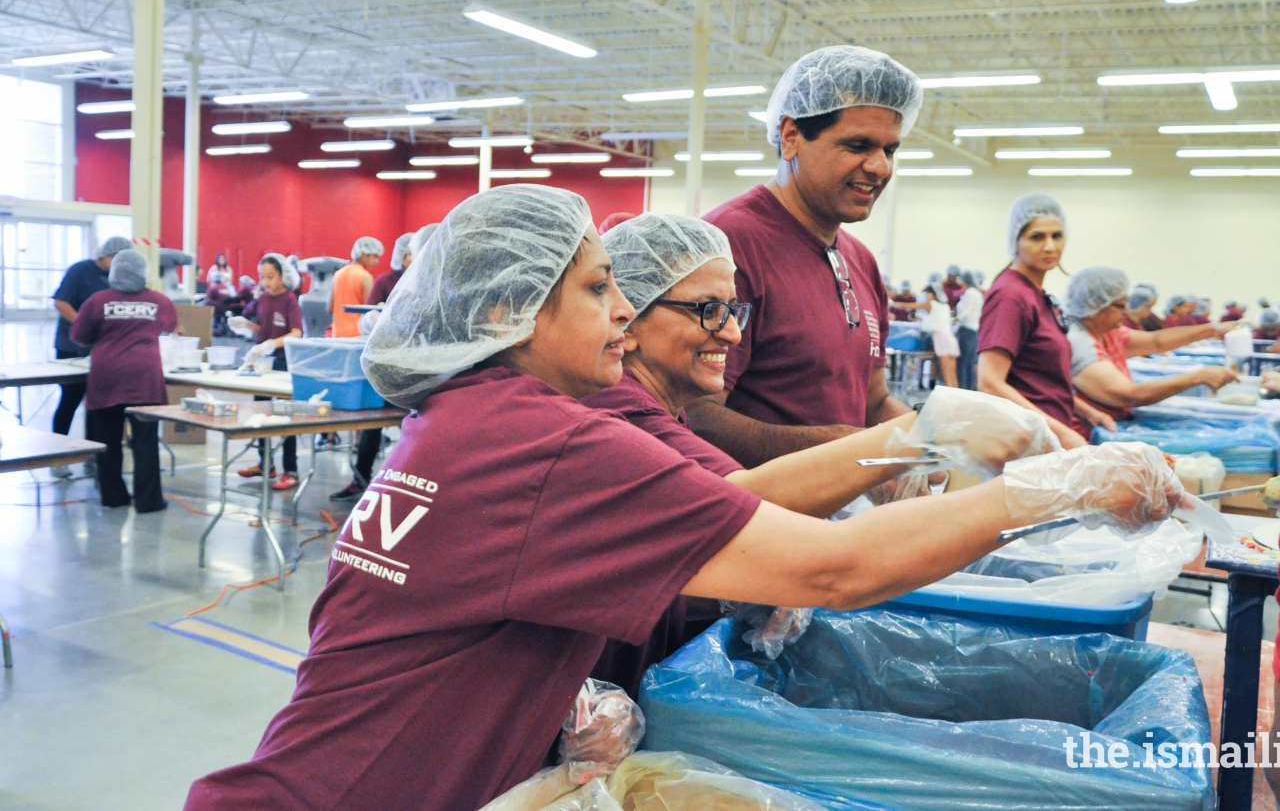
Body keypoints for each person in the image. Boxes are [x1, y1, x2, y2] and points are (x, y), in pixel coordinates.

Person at [184, 184, 1184, 811]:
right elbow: (835, 565)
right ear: (503, 312)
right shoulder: (543, 436)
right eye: (591, 290)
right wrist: (1052, 486)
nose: (618, 309)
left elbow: (410, 621)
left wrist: (544, 683)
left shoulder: (463, 420)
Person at [587, 214, 1057, 694]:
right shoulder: (617, 412)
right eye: (708, 310)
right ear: (629, 318)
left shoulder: (661, 411)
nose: (731, 334)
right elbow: (746, 509)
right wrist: (923, 435)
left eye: (734, 311)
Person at [689, 45, 922, 467]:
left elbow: (875, 402)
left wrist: (945, 443)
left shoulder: (861, 261)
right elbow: (694, 417)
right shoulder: (728, 246)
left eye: (890, 150)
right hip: (763, 518)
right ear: (791, 136)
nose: (881, 167)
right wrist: (845, 452)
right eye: (858, 145)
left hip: (841, 519)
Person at [977, 194, 1109, 450]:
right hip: (1025, 440)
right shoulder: (1010, 296)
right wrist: (1061, 432)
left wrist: (1083, 410)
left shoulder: (1036, 295)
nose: (1050, 246)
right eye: (1037, 237)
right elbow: (990, 383)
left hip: (1044, 433)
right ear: (1014, 242)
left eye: (1057, 236)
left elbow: (1038, 382)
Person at [330, 224, 439, 502]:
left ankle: (407, 487)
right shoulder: (385, 281)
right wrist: (376, 321)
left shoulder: (433, 282)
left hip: (424, 369)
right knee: (374, 422)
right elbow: (368, 314)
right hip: (391, 360)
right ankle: (362, 478)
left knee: (417, 429)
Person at [1063, 266, 1240, 438]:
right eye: (1121, 305)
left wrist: (1212, 330)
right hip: (1088, 436)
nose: (1127, 311)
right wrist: (1198, 377)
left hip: (1113, 425)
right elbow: (1128, 395)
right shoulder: (1080, 342)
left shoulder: (1108, 331)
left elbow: (1155, 342)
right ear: (1095, 307)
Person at [68, 250, 177, 513]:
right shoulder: (159, 301)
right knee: (145, 442)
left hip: (107, 378)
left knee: (107, 441)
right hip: (145, 379)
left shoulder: (98, 301)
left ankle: (113, 496)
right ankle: (149, 500)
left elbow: (79, 336)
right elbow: (170, 327)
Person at [49, 235, 133, 476]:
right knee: (70, 400)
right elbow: (61, 302)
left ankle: (91, 455)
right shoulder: (80, 271)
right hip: (71, 346)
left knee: (97, 404)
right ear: (105, 256)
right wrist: (82, 324)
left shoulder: (119, 278)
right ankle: (58, 458)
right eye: (116, 260)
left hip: (101, 349)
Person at [231, 255, 304, 491]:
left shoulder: (290, 299)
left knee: (284, 414)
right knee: (260, 413)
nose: (266, 282)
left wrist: (272, 344)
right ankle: (266, 463)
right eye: (263, 277)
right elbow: (264, 328)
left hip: (283, 362)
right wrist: (247, 325)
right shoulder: (262, 298)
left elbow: (296, 333)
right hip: (262, 363)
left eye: (271, 277)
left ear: (283, 275)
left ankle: (291, 469)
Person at [891, 283, 959, 388]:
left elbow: (907, 306)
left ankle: (953, 401)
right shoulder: (945, 306)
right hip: (950, 340)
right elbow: (936, 320)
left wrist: (891, 303)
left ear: (932, 294)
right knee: (952, 376)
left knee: (947, 377)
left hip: (941, 340)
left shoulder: (930, 304)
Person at [328, 236, 383, 337]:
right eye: (375, 256)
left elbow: (330, 308)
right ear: (363, 254)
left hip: (337, 335)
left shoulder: (338, 274)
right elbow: (369, 310)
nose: (377, 261)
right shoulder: (365, 277)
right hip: (357, 335)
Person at [955, 270, 984, 390]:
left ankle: (963, 387)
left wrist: (954, 319)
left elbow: (965, 313)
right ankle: (969, 388)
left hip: (967, 329)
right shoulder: (977, 293)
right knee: (970, 362)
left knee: (963, 362)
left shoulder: (970, 293)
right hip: (974, 330)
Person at [368, 232, 413, 306]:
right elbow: (369, 308)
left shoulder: (424, 280)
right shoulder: (385, 281)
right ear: (402, 258)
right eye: (410, 254)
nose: (416, 257)